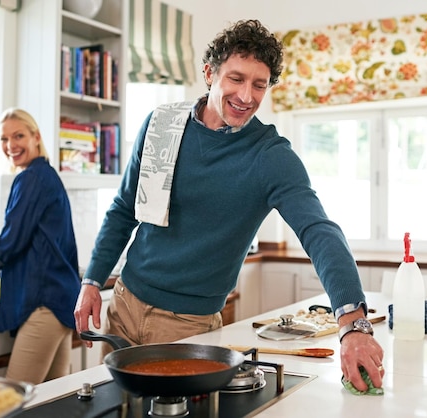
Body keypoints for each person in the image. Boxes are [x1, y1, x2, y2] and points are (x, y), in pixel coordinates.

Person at [74, 19, 384, 392]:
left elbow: (319, 231)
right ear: (210, 73)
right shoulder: (162, 125)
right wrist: (93, 280)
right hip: (122, 307)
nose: (247, 95)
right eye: (236, 79)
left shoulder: (270, 156)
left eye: (259, 84)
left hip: (187, 327)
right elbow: (125, 208)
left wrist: (353, 322)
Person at [0, 108, 81, 384]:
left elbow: (12, 238)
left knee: (14, 398)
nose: (11, 145)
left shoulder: (31, 178)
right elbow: (39, 245)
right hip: (61, 301)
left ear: (36, 136)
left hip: (44, 305)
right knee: (56, 400)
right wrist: (5, 281)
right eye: (4, 139)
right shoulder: (47, 176)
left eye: (18, 135)